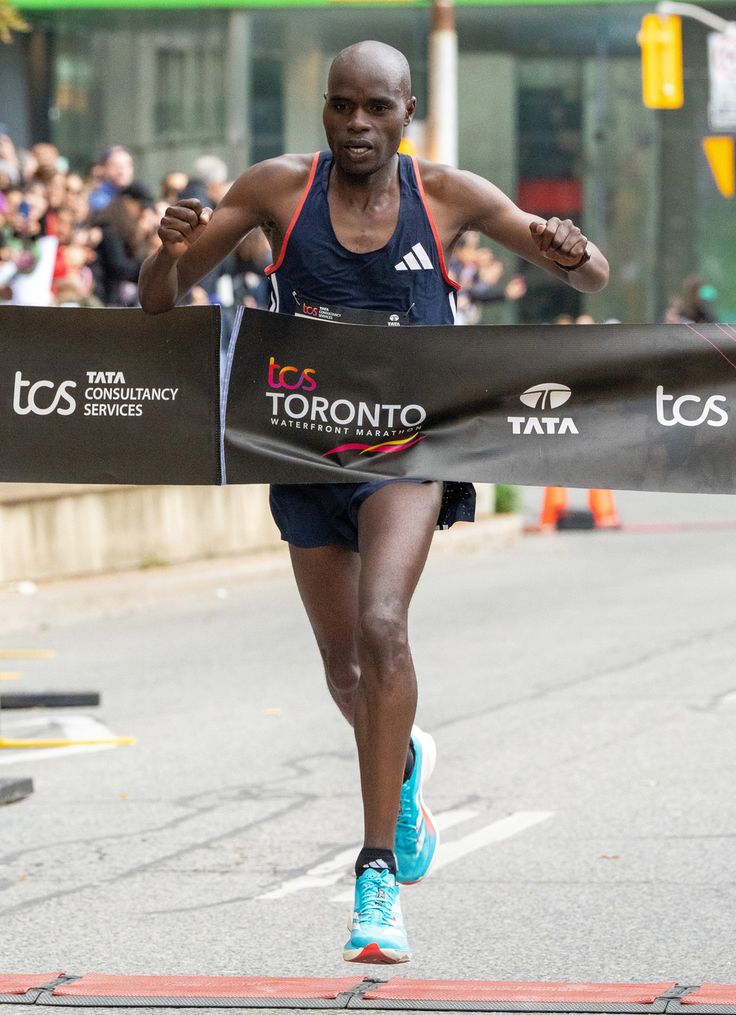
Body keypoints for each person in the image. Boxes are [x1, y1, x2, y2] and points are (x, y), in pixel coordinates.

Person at [139, 39, 609, 964]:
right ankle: (404, 764)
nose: (358, 125)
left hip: (409, 450)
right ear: (326, 109)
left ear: (407, 112)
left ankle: (376, 874)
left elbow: (587, 277)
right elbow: (161, 300)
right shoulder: (278, 189)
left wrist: (573, 249)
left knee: (382, 624)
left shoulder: (447, 197)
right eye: (341, 106)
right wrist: (165, 249)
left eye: (377, 109)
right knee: (345, 668)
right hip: (306, 447)